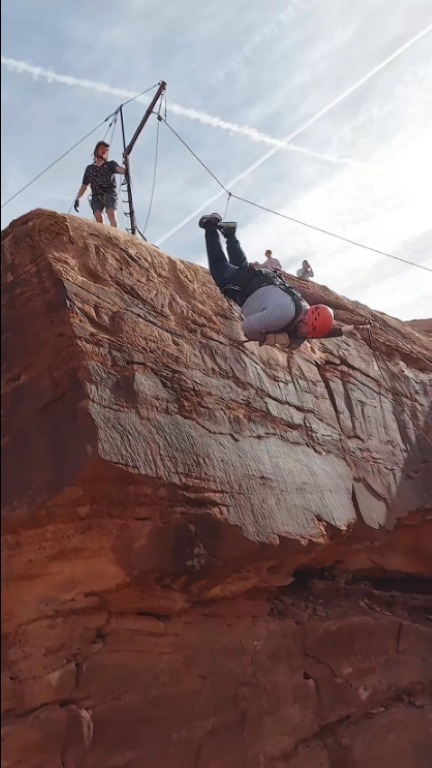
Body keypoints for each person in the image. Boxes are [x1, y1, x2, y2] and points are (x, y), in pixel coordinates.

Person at [199, 213, 337, 352]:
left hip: (262, 278)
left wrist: (288, 338)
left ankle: (229, 233)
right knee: (218, 265)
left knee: (241, 265)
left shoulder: (305, 308)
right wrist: (264, 338)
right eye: (308, 332)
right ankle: (210, 225)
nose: (307, 336)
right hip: (243, 288)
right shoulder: (283, 315)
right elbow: (248, 326)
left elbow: (300, 335)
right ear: (307, 318)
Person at [74, 141, 125, 227]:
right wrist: (77, 199)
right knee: (98, 217)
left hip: (109, 194)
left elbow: (119, 169)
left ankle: (115, 236)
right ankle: (102, 236)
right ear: (96, 150)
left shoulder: (110, 164)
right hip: (96, 196)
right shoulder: (89, 169)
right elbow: (84, 186)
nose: (104, 151)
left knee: (111, 213)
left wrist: (126, 169)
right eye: (102, 148)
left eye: (106, 150)